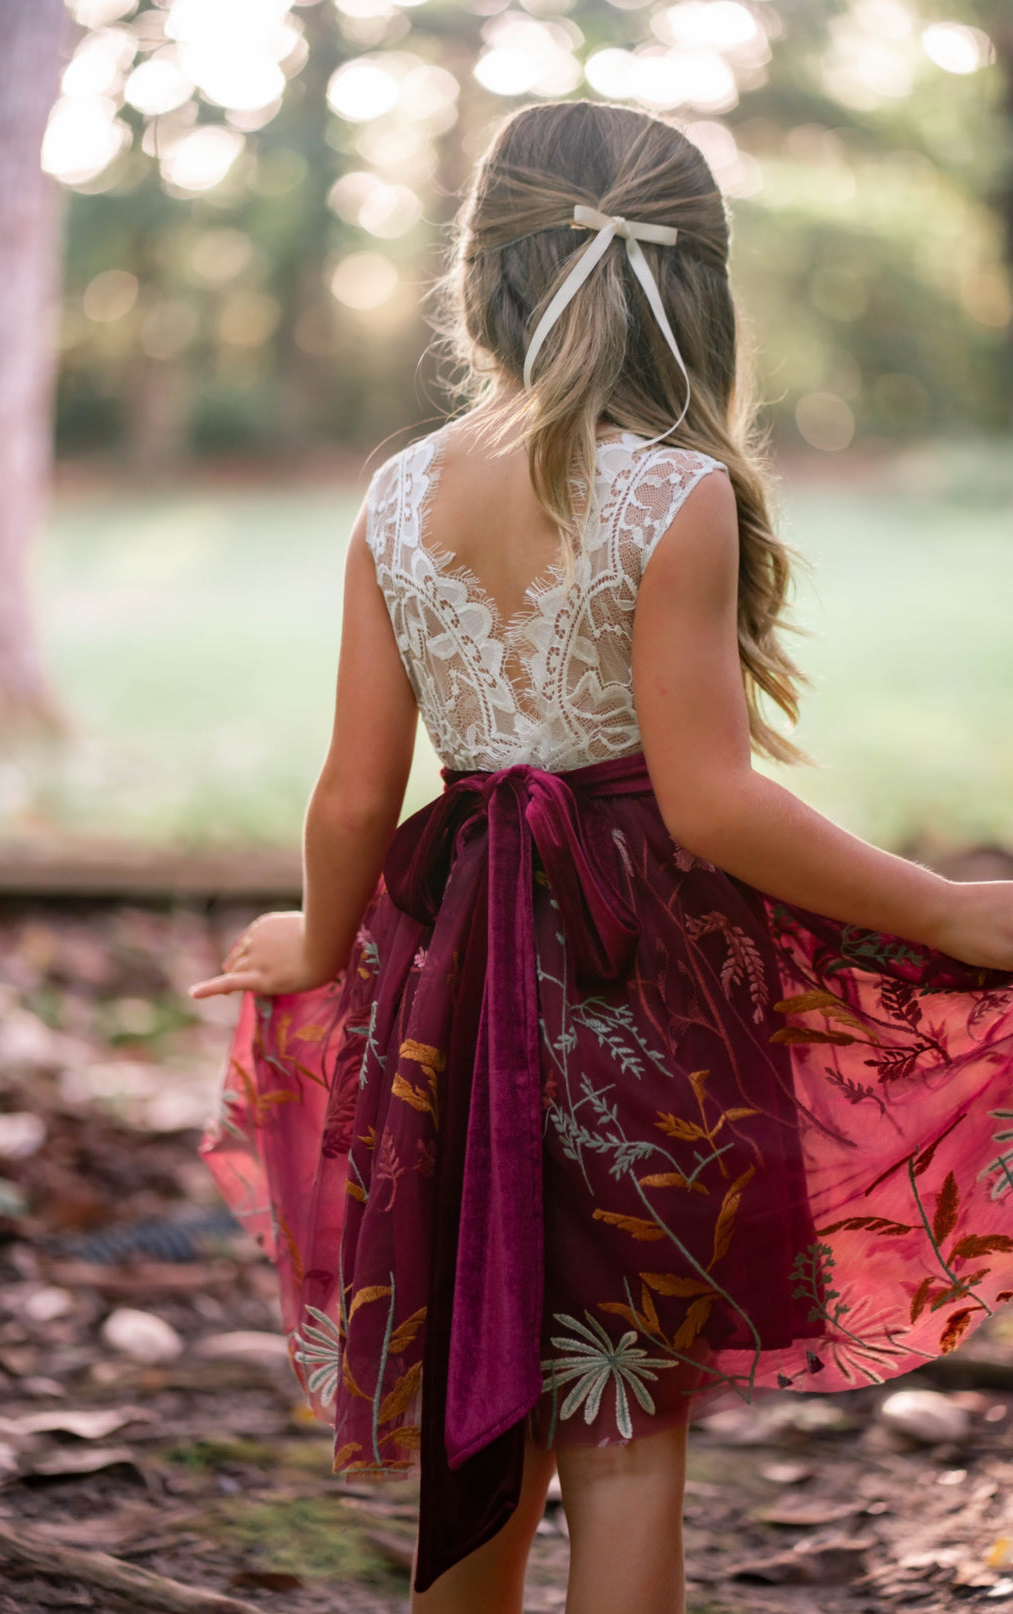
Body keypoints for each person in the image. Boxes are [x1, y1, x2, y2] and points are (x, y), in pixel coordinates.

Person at [189, 99, 1013, 1614]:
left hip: (451, 992)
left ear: (480, 278)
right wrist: (947, 907)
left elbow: (356, 788)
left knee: (478, 1385)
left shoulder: (396, 496)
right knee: (622, 1423)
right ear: (698, 294)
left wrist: (316, 936)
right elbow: (711, 805)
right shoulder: (671, 495)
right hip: (641, 993)